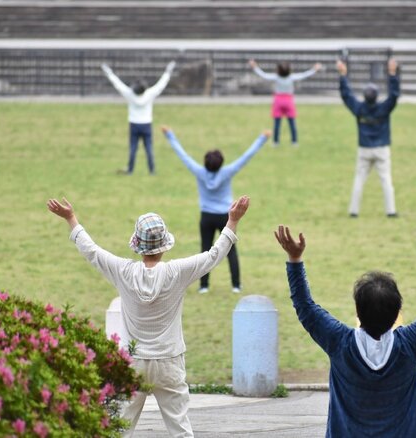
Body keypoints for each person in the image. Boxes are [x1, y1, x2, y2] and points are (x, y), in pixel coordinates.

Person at [47, 195, 251, 437]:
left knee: (118, 429)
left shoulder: (122, 271)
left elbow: (92, 251)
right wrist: (232, 221)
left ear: (138, 244)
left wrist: (71, 218)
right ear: (164, 245)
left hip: (133, 362)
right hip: (169, 361)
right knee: (181, 430)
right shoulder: (177, 272)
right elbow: (214, 255)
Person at [274, 225, 416, 437]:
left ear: (357, 311)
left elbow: (305, 307)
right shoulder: (409, 345)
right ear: (398, 312)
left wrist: (294, 258)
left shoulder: (340, 343)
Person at [162, 126, 269, 294]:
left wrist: (169, 135)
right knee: (231, 250)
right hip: (226, 216)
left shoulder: (199, 172)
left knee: (205, 250)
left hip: (206, 217)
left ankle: (204, 286)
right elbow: (246, 157)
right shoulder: (227, 172)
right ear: (221, 164)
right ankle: (236, 285)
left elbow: (183, 155)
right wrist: (262, 139)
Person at [336, 58, 400, 218]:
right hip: (382, 148)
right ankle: (391, 211)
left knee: (359, 179)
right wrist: (392, 74)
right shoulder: (383, 109)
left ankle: (353, 211)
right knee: (386, 180)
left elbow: (347, 96)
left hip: (364, 148)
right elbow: (393, 96)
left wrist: (343, 76)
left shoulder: (359, 109)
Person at [101, 61, 176, 175]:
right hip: (146, 124)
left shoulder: (129, 94)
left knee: (133, 149)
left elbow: (117, 84)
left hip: (134, 124)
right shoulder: (149, 94)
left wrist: (108, 71)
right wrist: (168, 71)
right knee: (149, 149)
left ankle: (130, 170)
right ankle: (152, 171)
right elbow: (161, 85)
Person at [249, 59, 322, 146]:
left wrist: (255, 67)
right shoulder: (291, 77)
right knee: (292, 123)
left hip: (278, 101)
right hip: (288, 101)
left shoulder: (276, 77)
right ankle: (294, 142)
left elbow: (264, 75)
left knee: (277, 124)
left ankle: (276, 142)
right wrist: (314, 69)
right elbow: (304, 75)